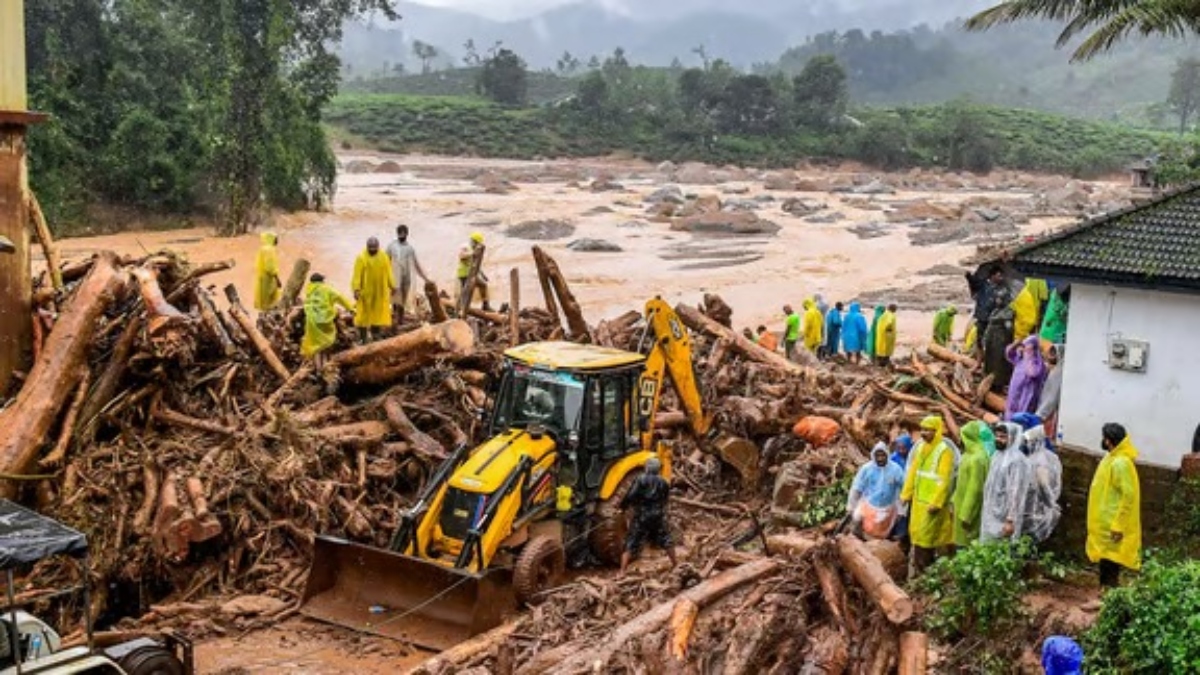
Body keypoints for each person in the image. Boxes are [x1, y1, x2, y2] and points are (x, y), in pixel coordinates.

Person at [901, 416, 958, 576]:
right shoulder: (920, 448)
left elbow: (944, 479)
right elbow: (913, 472)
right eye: (922, 430)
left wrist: (937, 502)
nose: (924, 433)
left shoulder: (944, 451)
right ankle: (921, 570)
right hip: (918, 501)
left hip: (932, 504)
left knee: (928, 537)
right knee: (918, 535)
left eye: (928, 430)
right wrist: (906, 493)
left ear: (936, 431)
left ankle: (927, 570)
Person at [1087, 423, 1141, 587]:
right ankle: (1105, 596)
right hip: (1105, 524)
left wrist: (1118, 525)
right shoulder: (1112, 457)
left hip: (1112, 525)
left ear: (1109, 441)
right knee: (1106, 561)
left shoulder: (1120, 463)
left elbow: (1129, 496)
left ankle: (1107, 598)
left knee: (1110, 563)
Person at [620, 456, 677, 572]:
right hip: (658, 515)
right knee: (666, 539)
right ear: (658, 469)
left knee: (631, 541)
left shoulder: (641, 479)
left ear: (647, 468)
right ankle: (676, 564)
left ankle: (622, 572)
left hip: (642, 515)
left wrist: (623, 507)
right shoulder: (664, 482)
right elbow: (665, 500)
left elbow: (631, 495)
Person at [980, 422, 1032, 542]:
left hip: (1005, 516)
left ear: (1012, 438)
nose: (998, 439)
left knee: (1002, 550)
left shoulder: (1017, 461)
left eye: (1003, 437)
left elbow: (1016, 491)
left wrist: (1010, 519)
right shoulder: (997, 455)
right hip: (991, 511)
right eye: (996, 436)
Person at [847, 443, 907, 540]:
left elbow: (904, 490)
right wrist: (851, 506)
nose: (880, 458)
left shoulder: (896, 470)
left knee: (884, 532)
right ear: (873, 456)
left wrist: (901, 510)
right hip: (869, 505)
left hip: (888, 507)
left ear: (887, 455)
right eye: (877, 455)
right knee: (857, 519)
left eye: (882, 455)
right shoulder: (866, 469)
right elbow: (857, 488)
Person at [301, 273, 354, 368]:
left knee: (316, 346)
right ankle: (325, 366)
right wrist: (351, 309)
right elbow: (340, 298)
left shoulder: (309, 290)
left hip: (312, 322)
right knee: (327, 343)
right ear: (321, 281)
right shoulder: (326, 289)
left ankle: (317, 367)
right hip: (325, 321)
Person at [952, 421, 992, 547]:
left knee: (967, 545)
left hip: (969, 512)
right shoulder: (967, 455)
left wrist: (966, 515)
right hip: (960, 506)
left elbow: (975, 489)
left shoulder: (978, 458)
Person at [1022, 424, 1063, 543]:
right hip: (1037, 507)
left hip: (1036, 509)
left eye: (1027, 441)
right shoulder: (1049, 457)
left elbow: (1043, 483)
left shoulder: (1039, 460)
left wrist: (1051, 504)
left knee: (1029, 541)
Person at [352, 237, 395, 343]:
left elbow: (389, 272)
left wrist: (392, 286)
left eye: (374, 248)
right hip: (365, 293)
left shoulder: (384, 257)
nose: (372, 250)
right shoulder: (361, 258)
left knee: (377, 315)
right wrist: (356, 289)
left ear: (378, 247)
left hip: (379, 292)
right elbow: (356, 275)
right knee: (363, 317)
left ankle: (376, 335)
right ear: (367, 247)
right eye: (370, 248)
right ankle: (363, 338)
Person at [386, 224, 430, 326]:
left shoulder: (410, 249)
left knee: (402, 302)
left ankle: (399, 322)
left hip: (406, 279)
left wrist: (426, 278)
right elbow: (385, 262)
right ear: (397, 234)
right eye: (400, 233)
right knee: (396, 301)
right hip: (394, 278)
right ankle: (396, 322)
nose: (402, 235)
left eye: (404, 233)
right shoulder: (391, 246)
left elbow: (416, 265)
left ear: (407, 234)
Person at [1006, 335, 1048, 419]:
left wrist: (1028, 357)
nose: (1025, 349)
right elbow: (1009, 354)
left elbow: (1032, 373)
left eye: (1027, 346)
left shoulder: (1038, 363)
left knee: (1022, 415)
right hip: (1015, 392)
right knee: (1011, 411)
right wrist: (1015, 344)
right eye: (1024, 346)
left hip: (1026, 395)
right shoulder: (1020, 358)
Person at [457, 232, 492, 312]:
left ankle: (485, 305)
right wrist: (472, 253)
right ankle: (462, 309)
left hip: (472, 274)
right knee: (465, 292)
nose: (478, 246)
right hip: (464, 274)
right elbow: (461, 255)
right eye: (477, 243)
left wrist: (483, 275)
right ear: (474, 241)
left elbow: (476, 264)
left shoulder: (475, 249)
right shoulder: (466, 247)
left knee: (483, 285)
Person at [1036, 345, 1065, 441]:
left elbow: (1052, 397)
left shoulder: (1058, 372)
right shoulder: (1058, 369)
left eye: (1054, 353)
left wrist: (1041, 414)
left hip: (1048, 411)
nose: (1052, 356)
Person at [1011, 278, 1050, 342]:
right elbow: (1044, 298)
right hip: (1033, 317)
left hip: (1023, 317)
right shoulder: (1041, 280)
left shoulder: (1025, 279)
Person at [254, 232, 282, 311]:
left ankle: (264, 314)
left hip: (262, 277)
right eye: (276, 238)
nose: (277, 241)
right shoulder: (269, 250)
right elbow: (270, 267)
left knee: (263, 299)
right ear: (271, 238)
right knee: (270, 300)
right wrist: (277, 279)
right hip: (268, 279)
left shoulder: (263, 248)